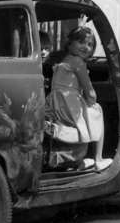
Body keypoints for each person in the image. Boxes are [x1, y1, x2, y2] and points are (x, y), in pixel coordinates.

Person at [45, 26, 112, 171]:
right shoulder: (78, 63)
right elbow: (90, 91)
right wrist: (91, 101)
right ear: (70, 44)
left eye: (90, 44)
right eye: (81, 42)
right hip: (70, 104)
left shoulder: (63, 60)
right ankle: (98, 158)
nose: (86, 47)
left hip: (56, 102)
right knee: (97, 111)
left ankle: (76, 160)